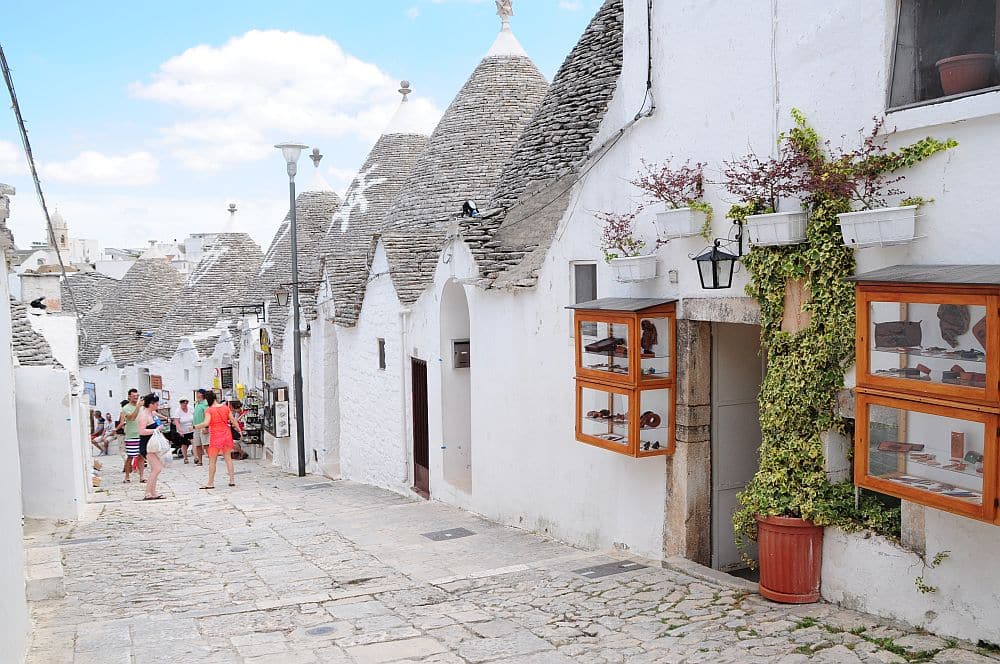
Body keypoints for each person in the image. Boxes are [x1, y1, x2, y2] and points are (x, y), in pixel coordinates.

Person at [193, 391, 240, 489]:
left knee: (212, 460)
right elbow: (233, 420)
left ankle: (210, 483)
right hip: (226, 434)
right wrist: (239, 430)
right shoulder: (225, 408)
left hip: (216, 436)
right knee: (228, 458)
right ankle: (232, 480)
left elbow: (206, 423)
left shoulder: (209, 410)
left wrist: (195, 426)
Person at [137, 393, 166, 500]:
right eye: (156, 403)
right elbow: (141, 430)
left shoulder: (150, 414)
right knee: (157, 468)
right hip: (147, 445)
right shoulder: (144, 415)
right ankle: (148, 493)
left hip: (152, 445)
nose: (157, 405)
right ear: (151, 404)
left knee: (156, 468)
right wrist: (155, 430)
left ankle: (153, 492)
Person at [121, 390, 144, 483]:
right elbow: (132, 418)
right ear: (129, 397)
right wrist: (138, 407)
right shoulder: (126, 408)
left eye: (137, 395)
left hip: (141, 434)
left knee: (141, 456)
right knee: (130, 456)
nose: (136, 397)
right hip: (131, 435)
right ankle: (127, 476)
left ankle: (141, 476)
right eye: (133, 396)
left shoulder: (142, 407)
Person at [172, 399, 195, 464]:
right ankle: (185, 458)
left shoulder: (190, 408)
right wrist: (180, 430)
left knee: (194, 442)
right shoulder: (177, 411)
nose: (185, 404)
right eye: (183, 403)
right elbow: (176, 422)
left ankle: (196, 457)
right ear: (180, 403)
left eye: (186, 403)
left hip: (191, 428)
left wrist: (194, 426)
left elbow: (194, 417)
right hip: (182, 429)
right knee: (184, 444)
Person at [191, 389, 208, 466]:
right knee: (197, 445)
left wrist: (206, 427)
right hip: (196, 427)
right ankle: (200, 461)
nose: (197, 394)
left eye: (198, 393)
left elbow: (207, 416)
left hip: (203, 427)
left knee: (206, 444)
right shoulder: (197, 403)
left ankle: (211, 460)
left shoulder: (205, 404)